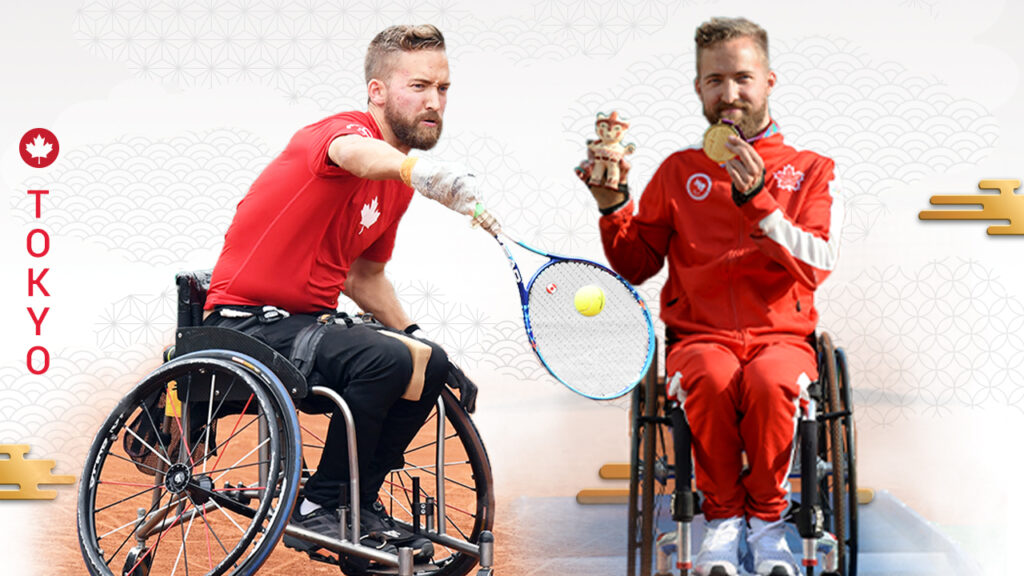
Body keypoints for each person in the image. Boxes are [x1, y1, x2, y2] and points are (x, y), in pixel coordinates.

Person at [202, 24, 499, 572]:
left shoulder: (396, 184)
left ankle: (355, 505)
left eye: (443, 89)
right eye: (419, 86)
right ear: (377, 91)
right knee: (380, 358)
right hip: (245, 326)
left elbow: (364, 280)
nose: (434, 102)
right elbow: (357, 155)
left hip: (307, 330)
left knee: (426, 363)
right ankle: (322, 501)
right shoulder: (340, 133)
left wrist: (418, 340)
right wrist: (425, 171)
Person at [578, 17, 842, 576]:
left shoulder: (811, 170)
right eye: (715, 80)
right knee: (711, 377)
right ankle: (721, 523)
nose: (730, 94)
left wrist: (758, 200)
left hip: (782, 338)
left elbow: (817, 264)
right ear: (699, 88)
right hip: (700, 338)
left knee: (771, 384)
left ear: (769, 81)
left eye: (743, 78)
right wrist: (611, 206)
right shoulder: (679, 171)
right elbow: (635, 262)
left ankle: (768, 525)